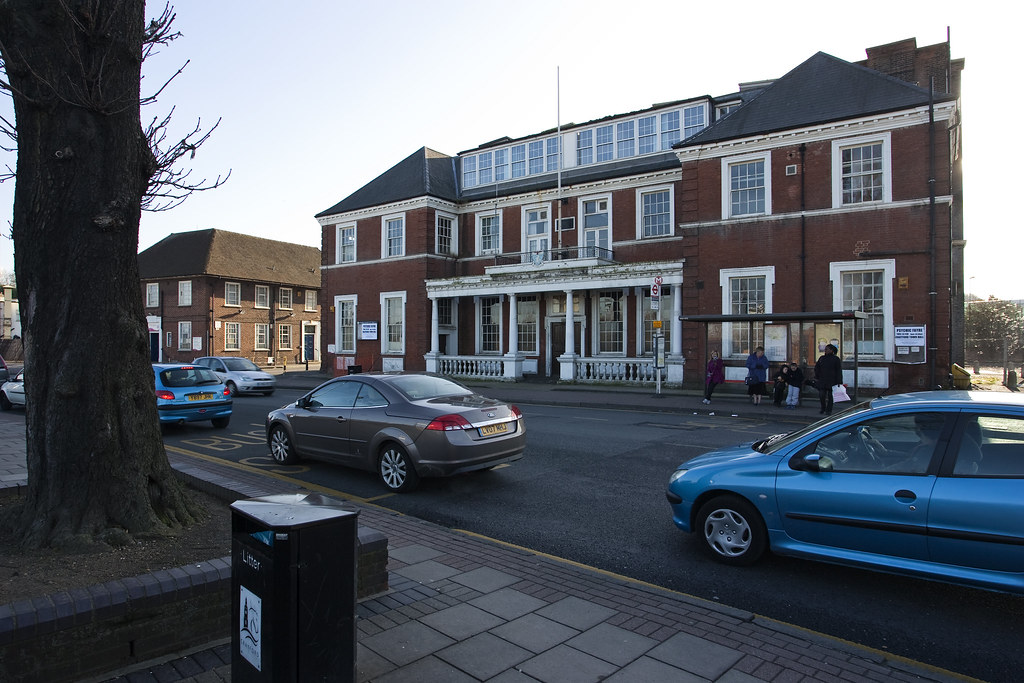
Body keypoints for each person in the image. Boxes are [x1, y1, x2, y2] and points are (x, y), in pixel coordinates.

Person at [814, 343, 843, 415]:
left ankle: (829, 410)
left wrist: (839, 381)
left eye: (827, 349)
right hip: (822, 380)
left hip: (832, 380)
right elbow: (817, 367)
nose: (825, 350)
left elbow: (838, 370)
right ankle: (823, 408)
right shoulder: (822, 358)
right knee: (822, 395)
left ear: (831, 350)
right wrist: (817, 376)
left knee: (830, 396)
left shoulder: (836, 359)